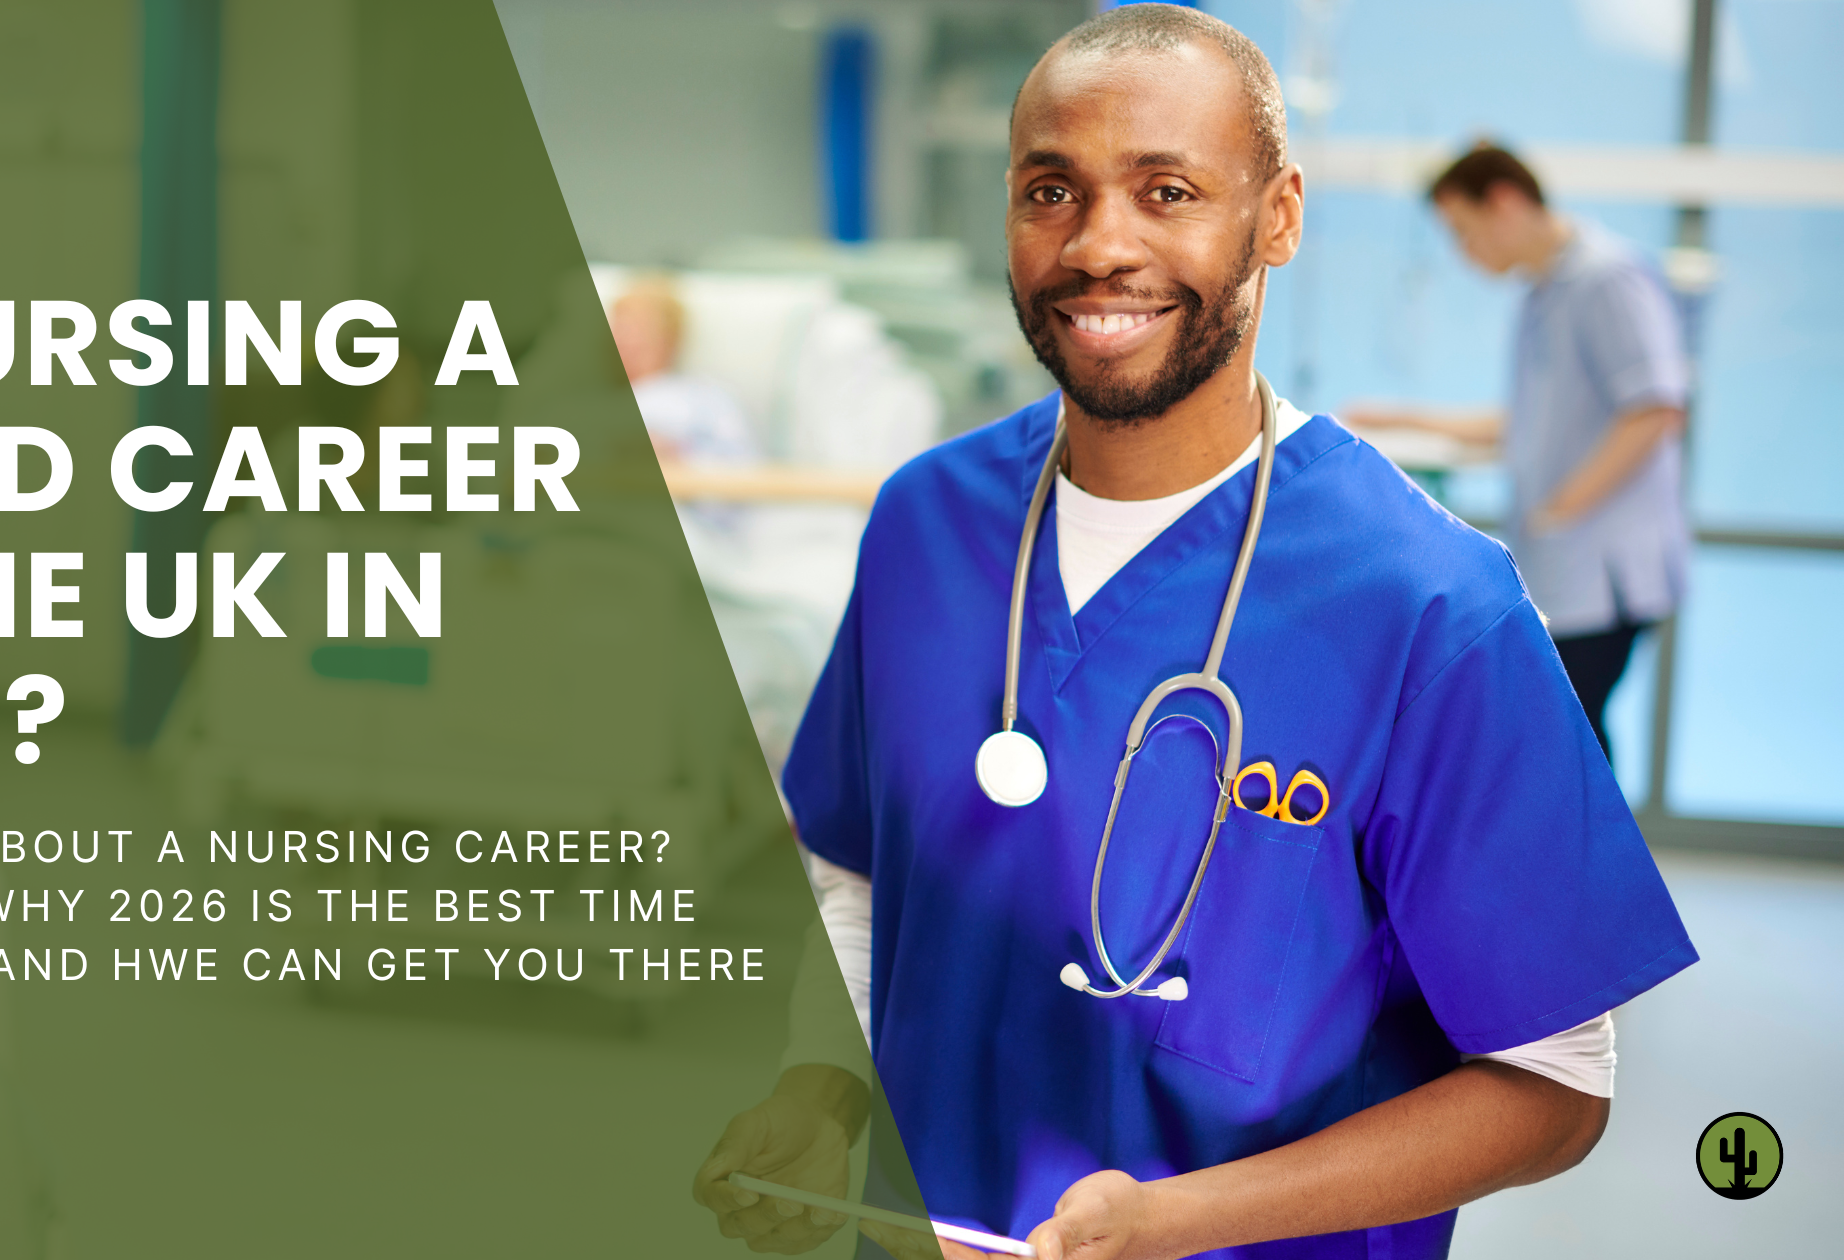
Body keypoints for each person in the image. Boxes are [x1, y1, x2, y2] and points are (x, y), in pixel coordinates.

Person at [690, 9, 1695, 1260]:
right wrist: (819, 1091)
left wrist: (1177, 1223)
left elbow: (1554, 1086)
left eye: (1166, 190)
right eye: (1050, 188)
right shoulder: (923, 528)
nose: (1099, 243)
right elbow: (856, 876)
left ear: (1275, 216)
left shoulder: (1430, 605)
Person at [1349, 144, 1692, 757]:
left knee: (1565, 742)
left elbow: (1656, 407)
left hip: (1604, 576)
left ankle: (1589, 854)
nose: (1463, 252)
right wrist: (1407, 418)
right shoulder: (1546, 293)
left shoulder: (1605, 278)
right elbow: (1532, 425)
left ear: (1503, 202)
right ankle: (1580, 852)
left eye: (1462, 230)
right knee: (1565, 740)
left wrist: (1563, 505)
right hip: (1565, 568)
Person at [607, 275, 761, 467]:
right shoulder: (593, 397)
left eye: (637, 329)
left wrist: (675, 454)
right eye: (619, 327)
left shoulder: (705, 400)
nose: (624, 339)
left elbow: (745, 472)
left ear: (669, 339)